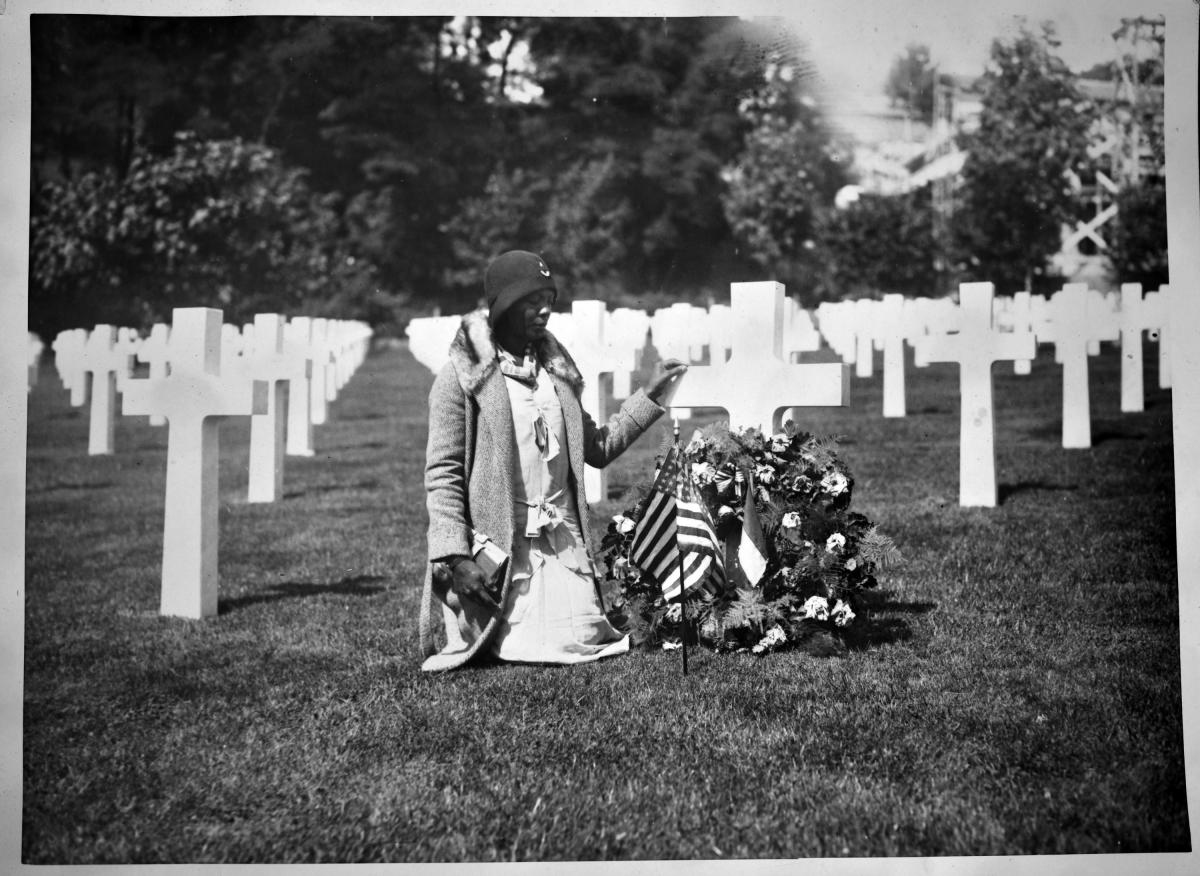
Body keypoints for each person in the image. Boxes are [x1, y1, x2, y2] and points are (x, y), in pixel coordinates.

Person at [418, 250, 686, 671]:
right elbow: (443, 475)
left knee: (578, 639)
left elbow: (596, 446)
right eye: (530, 300)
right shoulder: (460, 378)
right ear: (503, 304)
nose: (544, 309)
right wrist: (456, 558)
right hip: (500, 555)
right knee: (523, 646)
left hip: (562, 543)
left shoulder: (556, 372)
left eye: (549, 298)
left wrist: (649, 396)